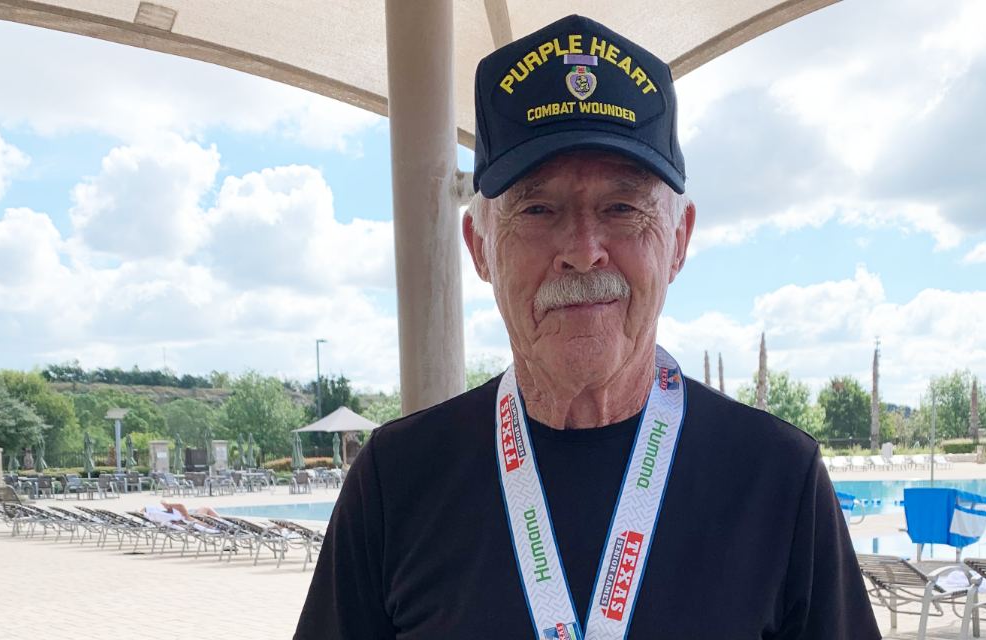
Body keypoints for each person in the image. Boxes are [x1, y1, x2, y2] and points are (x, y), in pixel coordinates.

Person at [296, 14, 880, 640]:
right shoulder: (395, 481)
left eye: (622, 208)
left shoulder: (779, 479)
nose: (583, 248)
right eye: (539, 209)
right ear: (479, 247)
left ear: (678, 241)